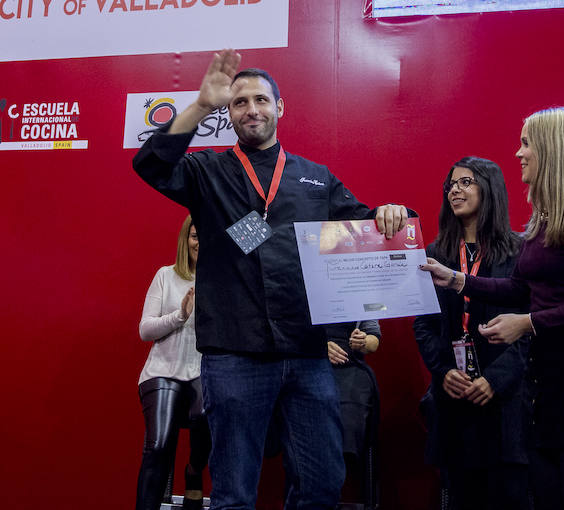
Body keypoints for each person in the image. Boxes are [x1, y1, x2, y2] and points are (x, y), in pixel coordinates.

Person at [131, 49, 408, 510]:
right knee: (235, 492)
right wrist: (200, 105)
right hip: (235, 354)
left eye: (261, 100)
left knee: (322, 484)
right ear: (229, 112)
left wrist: (389, 214)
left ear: (280, 108)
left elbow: (363, 225)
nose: (251, 110)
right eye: (239, 103)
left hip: (306, 354)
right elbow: (151, 165)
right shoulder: (208, 171)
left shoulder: (315, 178)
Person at [421, 107, 564, 510]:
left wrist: (528, 323)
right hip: (551, 379)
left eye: (526, 143)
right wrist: (458, 280)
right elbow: (523, 287)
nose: (518, 153)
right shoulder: (544, 221)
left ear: (554, 150)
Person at [413, 157, 530, 510]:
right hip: (455, 396)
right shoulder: (435, 254)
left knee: (510, 495)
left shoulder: (519, 251)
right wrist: (443, 370)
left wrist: (496, 379)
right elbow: (424, 324)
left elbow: (530, 324)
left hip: (506, 399)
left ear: (489, 189)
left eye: (465, 182)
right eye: (451, 184)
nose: (455, 190)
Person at [136, 214, 210, 510]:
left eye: (204, 236)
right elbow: (145, 330)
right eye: (194, 236)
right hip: (163, 372)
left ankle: (194, 471)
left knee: (209, 412)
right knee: (159, 447)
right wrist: (180, 315)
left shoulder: (220, 281)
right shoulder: (165, 276)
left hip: (202, 371)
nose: (199, 243)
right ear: (185, 239)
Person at [324, 320, 382, 502]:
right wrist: (318, 346)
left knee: (347, 426)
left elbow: (374, 341)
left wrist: (364, 341)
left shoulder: (357, 292)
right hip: (309, 362)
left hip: (350, 367)